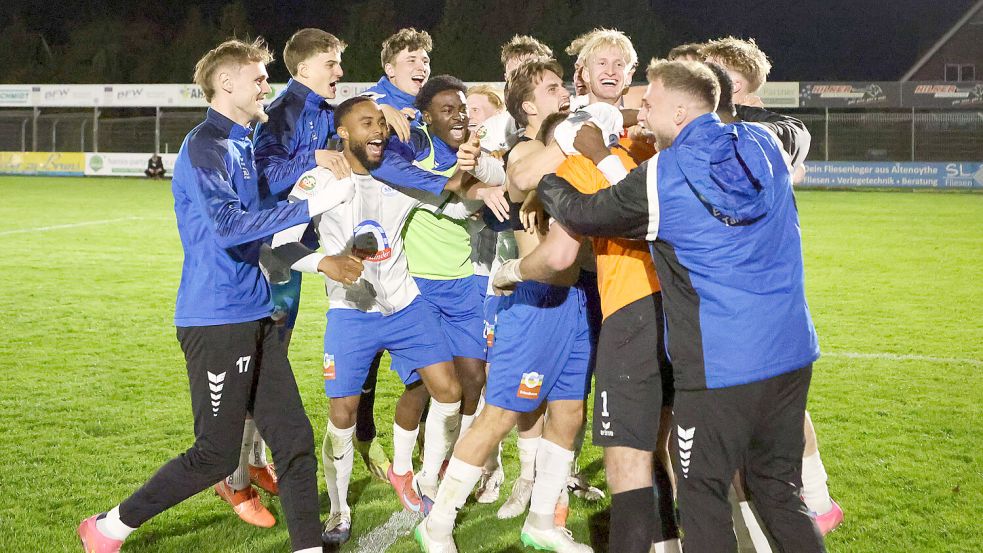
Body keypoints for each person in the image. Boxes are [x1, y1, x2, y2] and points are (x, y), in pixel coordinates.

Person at [526, 59, 826, 553]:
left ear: (682, 110)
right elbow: (795, 136)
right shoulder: (765, 142)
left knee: (702, 496)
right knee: (778, 490)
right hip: (792, 354)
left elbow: (585, 212)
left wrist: (553, 176)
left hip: (720, 367)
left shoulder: (663, 175)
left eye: (651, 101)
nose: (638, 108)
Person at [76, 38, 354, 553]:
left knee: (293, 441)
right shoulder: (206, 146)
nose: (266, 85)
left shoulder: (244, 141)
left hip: (257, 314)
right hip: (216, 321)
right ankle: (108, 527)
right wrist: (310, 204)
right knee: (215, 455)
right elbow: (230, 228)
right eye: (257, 78)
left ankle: (309, 547)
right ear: (227, 84)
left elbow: (269, 210)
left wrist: (311, 185)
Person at [415, 59, 601, 553]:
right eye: (552, 88)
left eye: (564, 85)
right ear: (526, 105)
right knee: (498, 414)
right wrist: (580, 132)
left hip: (577, 297)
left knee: (568, 412)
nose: (564, 94)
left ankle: (542, 520)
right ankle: (436, 524)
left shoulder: (571, 145)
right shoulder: (526, 149)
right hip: (534, 302)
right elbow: (519, 181)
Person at [270, 96, 470, 545]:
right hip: (351, 314)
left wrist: (485, 185)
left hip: (406, 307)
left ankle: (427, 485)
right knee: (342, 414)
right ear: (343, 133)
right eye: (367, 124)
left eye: (381, 122)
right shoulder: (319, 180)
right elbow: (279, 245)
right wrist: (326, 264)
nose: (378, 130)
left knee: (449, 391)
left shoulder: (397, 176)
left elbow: (452, 201)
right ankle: (339, 512)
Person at [704, 37, 841, 532]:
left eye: (720, 79)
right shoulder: (715, 129)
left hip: (760, 284)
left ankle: (813, 499)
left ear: (744, 89)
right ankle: (798, 504)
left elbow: (791, 140)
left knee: (768, 400)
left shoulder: (771, 129)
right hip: (724, 283)